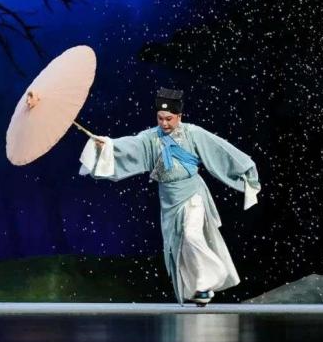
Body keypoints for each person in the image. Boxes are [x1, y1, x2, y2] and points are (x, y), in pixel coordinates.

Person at [79, 87, 261, 306]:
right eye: (160, 118)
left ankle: (214, 275)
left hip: (192, 194)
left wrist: (245, 170)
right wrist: (108, 145)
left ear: (179, 116)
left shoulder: (193, 133)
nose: (164, 123)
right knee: (181, 245)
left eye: (169, 119)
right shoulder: (151, 138)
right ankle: (200, 289)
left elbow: (220, 149)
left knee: (192, 236)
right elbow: (131, 146)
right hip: (169, 200)